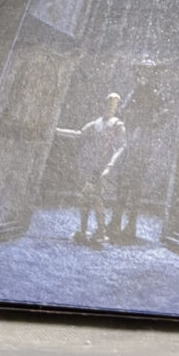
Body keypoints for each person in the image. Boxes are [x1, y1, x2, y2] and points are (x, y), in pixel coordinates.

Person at [52, 94, 127, 245]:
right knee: (87, 197)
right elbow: (78, 134)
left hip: (105, 166)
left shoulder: (117, 124)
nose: (110, 106)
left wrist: (110, 166)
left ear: (117, 107)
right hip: (93, 164)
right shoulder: (96, 123)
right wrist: (56, 130)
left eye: (114, 104)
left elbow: (121, 146)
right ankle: (84, 230)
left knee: (97, 197)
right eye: (109, 103)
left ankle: (100, 232)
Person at [111, 75, 165, 242]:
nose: (142, 78)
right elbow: (123, 112)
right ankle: (117, 221)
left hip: (140, 143)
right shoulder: (135, 93)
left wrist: (146, 121)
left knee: (134, 185)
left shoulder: (155, 95)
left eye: (145, 74)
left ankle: (129, 224)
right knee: (124, 183)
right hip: (131, 141)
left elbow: (161, 116)